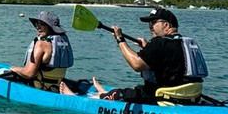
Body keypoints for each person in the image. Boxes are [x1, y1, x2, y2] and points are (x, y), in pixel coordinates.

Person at [65, 7, 207, 104]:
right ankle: (102, 91)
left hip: (161, 98)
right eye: (149, 23)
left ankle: (81, 98)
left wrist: (120, 39)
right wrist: (147, 48)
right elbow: (169, 62)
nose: (150, 26)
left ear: (166, 25)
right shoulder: (185, 42)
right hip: (188, 96)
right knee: (137, 89)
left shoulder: (159, 43)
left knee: (122, 95)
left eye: (153, 23)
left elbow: (137, 65)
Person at [0, 10, 75, 91]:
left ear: (50, 27)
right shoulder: (61, 43)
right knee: (11, 71)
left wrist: (14, 68)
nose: (37, 27)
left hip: (38, 87)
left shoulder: (41, 45)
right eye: (37, 24)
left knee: (12, 71)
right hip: (56, 88)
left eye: (41, 24)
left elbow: (29, 74)